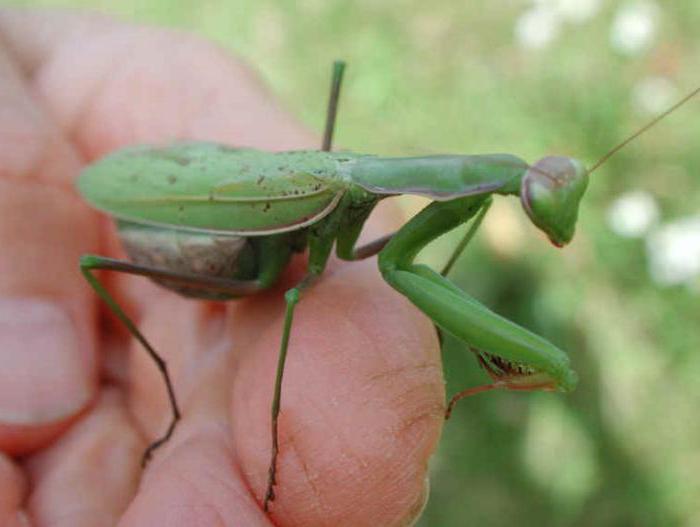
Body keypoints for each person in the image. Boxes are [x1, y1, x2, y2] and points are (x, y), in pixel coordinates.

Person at [0, 9, 443, 526]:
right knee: (104, 265)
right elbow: (297, 293)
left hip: (251, 237)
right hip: (214, 254)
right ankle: (189, 386)